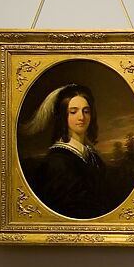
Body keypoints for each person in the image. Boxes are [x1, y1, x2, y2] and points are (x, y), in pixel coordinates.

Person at [21, 84, 114, 219]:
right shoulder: (57, 162)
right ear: (63, 116)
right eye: (73, 111)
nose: (81, 117)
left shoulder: (92, 156)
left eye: (86, 111)